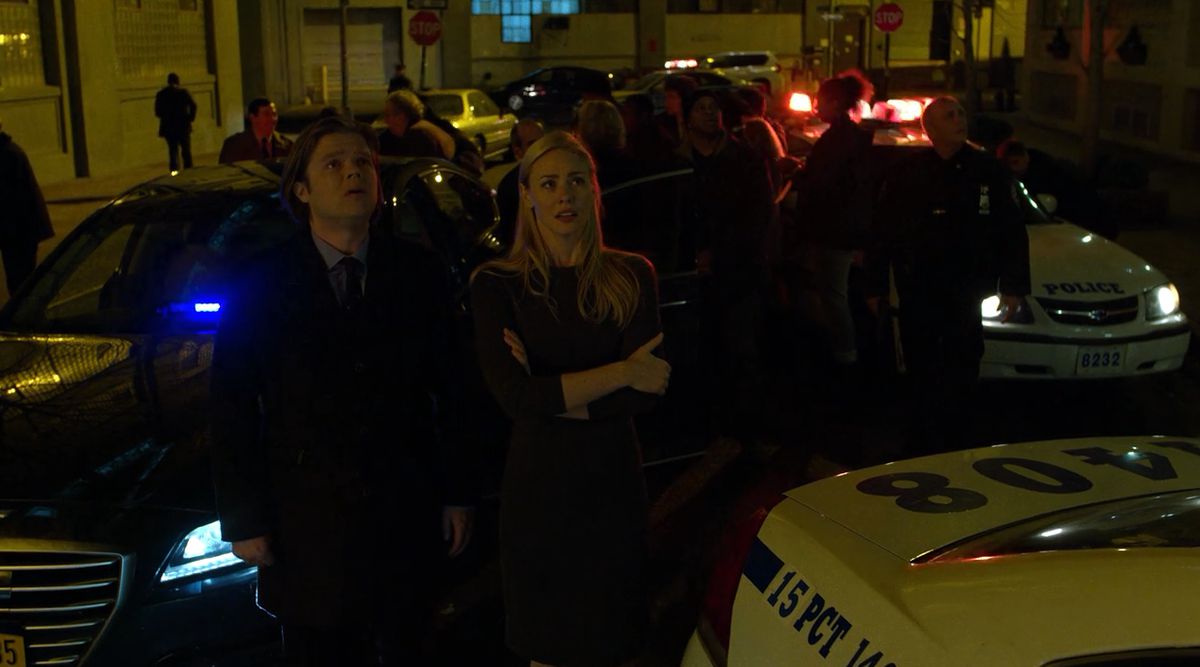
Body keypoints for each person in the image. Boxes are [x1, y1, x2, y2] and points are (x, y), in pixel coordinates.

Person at [210, 115, 474, 666]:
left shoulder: (417, 272)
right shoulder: (263, 281)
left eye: (362, 163)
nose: (353, 173)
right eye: (333, 164)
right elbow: (232, 403)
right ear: (301, 190)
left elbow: (454, 388)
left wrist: (457, 491)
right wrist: (244, 518)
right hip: (308, 521)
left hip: (403, 512)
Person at [470, 131, 668, 667]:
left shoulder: (631, 274)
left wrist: (549, 392)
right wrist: (621, 371)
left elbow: (646, 395)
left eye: (577, 182)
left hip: (612, 480)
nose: (565, 195)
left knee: (614, 643)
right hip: (540, 488)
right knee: (549, 649)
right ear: (527, 194)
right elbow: (515, 398)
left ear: (593, 191)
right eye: (550, 183)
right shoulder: (497, 285)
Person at [866, 97, 1030, 454]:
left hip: (966, 288)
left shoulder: (987, 170)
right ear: (931, 129)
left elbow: (1011, 229)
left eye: (960, 113)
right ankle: (922, 436)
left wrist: (1013, 285)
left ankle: (959, 435)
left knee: (963, 361)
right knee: (921, 361)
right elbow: (883, 231)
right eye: (949, 116)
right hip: (919, 286)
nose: (959, 120)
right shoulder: (907, 173)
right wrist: (875, 284)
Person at [678, 89, 776, 443]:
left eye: (714, 108)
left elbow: (758, 215)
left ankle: (747, 428)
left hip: (739, 271)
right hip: (693, 275)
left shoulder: (744, 158)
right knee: (701, 350)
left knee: (741, 349)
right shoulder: (676, 162)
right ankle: (707, 424)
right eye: (701, 108)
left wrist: (721, 252)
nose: (709, 113)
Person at [801, 73, 875, 370]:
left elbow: (829, 187)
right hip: (842, 231)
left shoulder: (839, 141)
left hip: (834, 233)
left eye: (820, 101)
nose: (816, 107)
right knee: (836, 295)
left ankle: (845, 356)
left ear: (834, 102)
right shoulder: (851, 137)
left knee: (833, 296)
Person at [0, 121, 53, 295]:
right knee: (20, 281)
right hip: (20, 230)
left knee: (21, 282)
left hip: (21, 230)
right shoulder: (9, 152)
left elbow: (9, 198)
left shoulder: (8, 155)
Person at [494, 118, 545, 246]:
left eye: (543, 142)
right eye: (532, 144)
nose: (541, 148)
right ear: (518, 152)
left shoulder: (559, 175)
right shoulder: (509, 188)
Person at [377, 89, 454, 160]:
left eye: (388, 115)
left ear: (403, 115)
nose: (386, 121)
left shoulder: (419, 138)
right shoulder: (387, 138)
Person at [218, 98, 293, 163]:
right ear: (253, 118)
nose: (272, 119)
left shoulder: (287, 145)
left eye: (274, 114)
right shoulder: (234, 145)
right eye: (266, 114)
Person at [154, 72, 197, 171]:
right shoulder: (183, 93)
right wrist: (190, 118)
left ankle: (174, 173)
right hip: (183, 126)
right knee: (186, 151)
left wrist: (166, 116)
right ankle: (188, 172)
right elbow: (193, 105)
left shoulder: (161, 94)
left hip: (169, 127)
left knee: (173, 151)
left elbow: (157, 112)